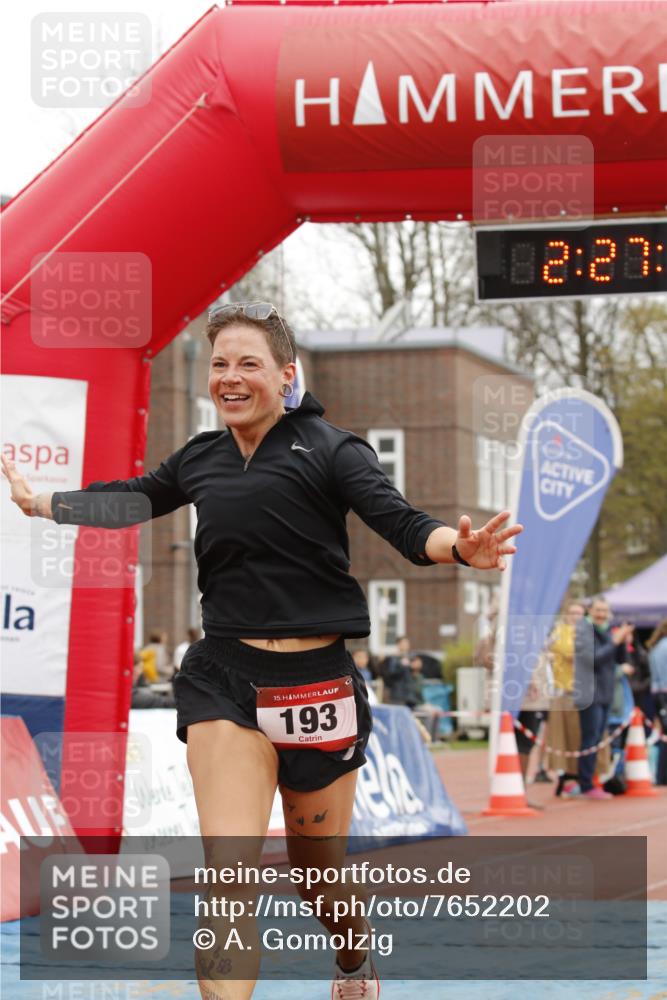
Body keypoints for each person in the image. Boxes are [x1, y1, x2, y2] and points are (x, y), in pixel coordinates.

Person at [1, 300, 522, 1000]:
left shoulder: (333, 450)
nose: (230, 377)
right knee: (229, 874)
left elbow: (401, 524)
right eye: (219, 364)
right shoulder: (202, 458)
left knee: (318, 873)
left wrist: (459, 547)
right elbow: (133, 500)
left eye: (248, 363)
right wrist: (43, 504)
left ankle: (350, 955)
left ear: (285, 375)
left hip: (316, 685)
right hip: (225, 677)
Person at [573, 597, 633, 800]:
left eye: (605, 611)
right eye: (598, 610)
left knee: (598, 740)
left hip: (606, 694)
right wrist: (614, 642)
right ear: (590, 611)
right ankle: (586, 785)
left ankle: (591, 780)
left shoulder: (607, 631)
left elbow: (621, 660)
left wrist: (623, 641)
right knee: (590, 740)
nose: (601, 614)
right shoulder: (583, 631)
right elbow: (594, 658)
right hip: (590, 695)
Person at [547, 601, 586, 796]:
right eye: (573, 613)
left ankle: (576, 776)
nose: (576, 617)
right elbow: (571, 653)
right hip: (566, 692)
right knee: (566, 738)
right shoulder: (561, 632)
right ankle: (568, 777)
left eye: (580, 613)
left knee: (580, 738)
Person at [647, 618, 667, 785]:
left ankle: (661, 775)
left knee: (664, 735)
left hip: (658, 694)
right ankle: (662, 776)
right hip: (664, 692)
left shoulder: (657, 646)